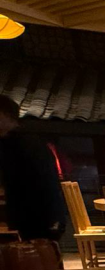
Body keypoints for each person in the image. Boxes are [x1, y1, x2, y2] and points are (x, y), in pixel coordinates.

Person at [0, 95, 65, 242]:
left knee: (39, 251)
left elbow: (43, 181)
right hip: (39, 215)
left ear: (5, 115)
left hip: (38, 214)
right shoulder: (19, 141)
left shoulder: (23, 143)